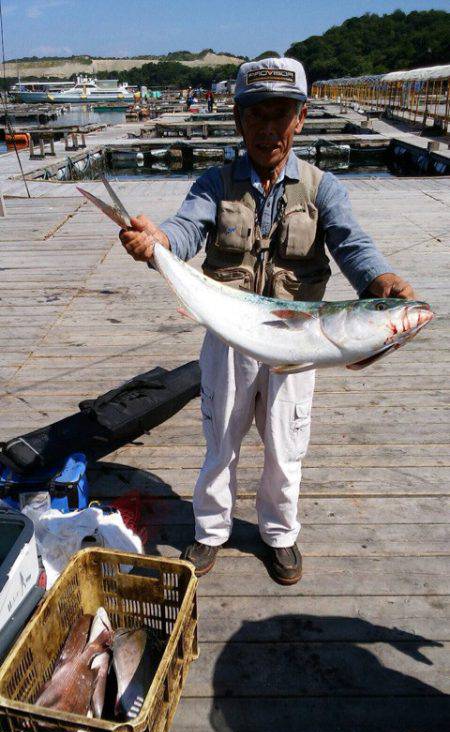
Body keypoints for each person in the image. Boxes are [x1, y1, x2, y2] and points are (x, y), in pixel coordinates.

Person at [119, 57, 415, 585]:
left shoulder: (324, 189)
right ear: (238, 120)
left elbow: (352, 244)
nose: (268, 128)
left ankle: (280, 534)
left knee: (286, 443)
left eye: (281, 114)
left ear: (300, 119)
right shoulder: (215, 183)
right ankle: (210, 531)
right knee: (220, 441)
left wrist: (379, 281)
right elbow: (185, 230)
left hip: (297, 344)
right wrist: (157, 243)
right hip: (230, 335)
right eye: (257, 114)